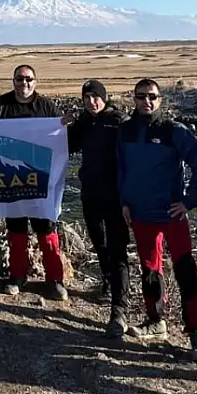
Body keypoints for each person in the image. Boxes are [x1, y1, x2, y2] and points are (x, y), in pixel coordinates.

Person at [117, 78, 197, 360]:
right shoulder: (125, 131)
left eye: (152, 96)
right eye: (141, 96)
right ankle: (155, 321)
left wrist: (189, 201)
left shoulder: (174, 131)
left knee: (185, 269)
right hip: (140, 212)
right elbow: (120, 169)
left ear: (161, 100)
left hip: (171, 213)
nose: (147, 101)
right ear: (133, 99)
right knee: (149, 269)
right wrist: (124, 201)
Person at [0, 64, 68, 301]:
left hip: (40, 179)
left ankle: (55, 279)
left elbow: (62, 135)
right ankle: (17, 275)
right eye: (19, 79)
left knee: (46, 230)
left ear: (35, 81)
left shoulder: (46, 106)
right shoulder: (1, 106)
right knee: (16, 230)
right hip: (11, 179)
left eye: (28, 79)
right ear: (13, 81)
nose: (24, 83)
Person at [61, 79, 131, 336]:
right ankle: (108, 281)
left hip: (115, 197)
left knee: (117, 249)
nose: (92, 101)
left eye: (96, 96)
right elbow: (69, 147)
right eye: (87, 97)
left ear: (105, 97)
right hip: (90, 193)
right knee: (99, 243)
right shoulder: (84, 122)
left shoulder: (119, 121)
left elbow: (133, 157)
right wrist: (62, 127)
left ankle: (119, 309)